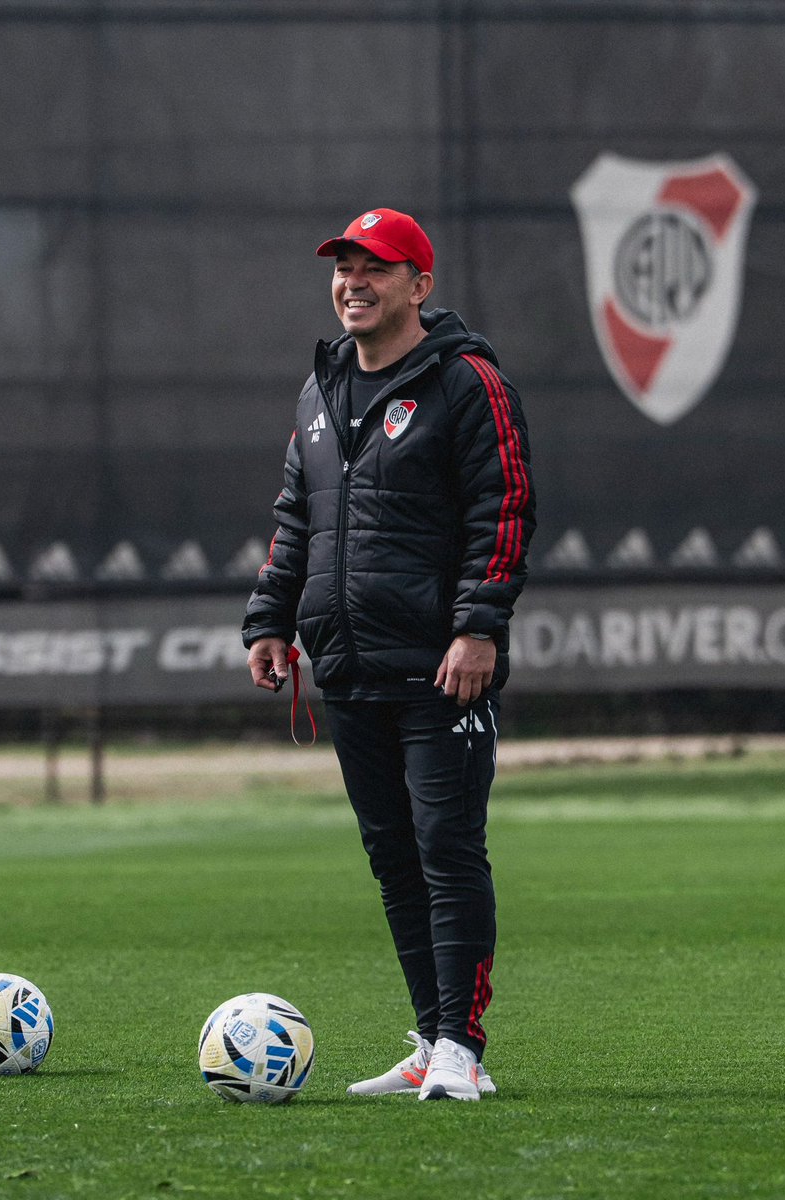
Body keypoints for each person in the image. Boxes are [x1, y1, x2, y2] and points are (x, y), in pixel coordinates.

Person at [242, 208, 535, 1102]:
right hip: (348, 666)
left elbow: (506, 506)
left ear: (420, 283)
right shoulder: (319, 388)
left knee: (447, 847)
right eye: (343, 268)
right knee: (394, 857)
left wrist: (477, 625)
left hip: (440, 664)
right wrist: (270, 619)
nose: (353, 283)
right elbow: (298, 519)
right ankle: (429, 1039)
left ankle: (463, 1048)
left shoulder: (466, 381)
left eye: (376, 268)